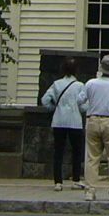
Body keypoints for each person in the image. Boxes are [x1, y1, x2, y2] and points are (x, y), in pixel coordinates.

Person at [81, 53, 109, 202]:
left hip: (93, 119)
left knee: (92, 158)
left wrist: (89, 107)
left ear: (101, 68)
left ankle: (90, 191)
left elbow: (80, 100)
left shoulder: (91, 83)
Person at [41, 58, 87, 191]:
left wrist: (53, 108)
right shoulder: (79, 85)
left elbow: (45, 100)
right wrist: (81, 110)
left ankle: (58, 182)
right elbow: (83, 105)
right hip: (75, 121)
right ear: (76, 70)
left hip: (59, 120)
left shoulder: (56, 84)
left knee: (58, 151)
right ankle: (76, 180)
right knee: (76, 152)